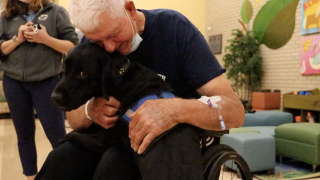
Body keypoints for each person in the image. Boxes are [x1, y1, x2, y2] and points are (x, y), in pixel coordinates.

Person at [35, 0, 245, 179]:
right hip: (111, 136)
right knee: (59, 160)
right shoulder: (92, 39)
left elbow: (234, 111)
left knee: (114, 165)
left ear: (130, 9)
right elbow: (74, 120)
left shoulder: (174, 29)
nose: (108, 47)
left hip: (163, 141)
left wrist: (175, 110)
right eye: (97, 40)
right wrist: (91, 109)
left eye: (114, 34)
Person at [0, 0, 79, 179]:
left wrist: (46, 39)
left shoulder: (56, 12)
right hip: (14, 84)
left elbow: (73, 47)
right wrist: (17, 39)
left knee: (58, 136)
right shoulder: (6, 15)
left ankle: (67, 175)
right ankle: (31, 177)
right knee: (24, 135)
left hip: (47, 83)